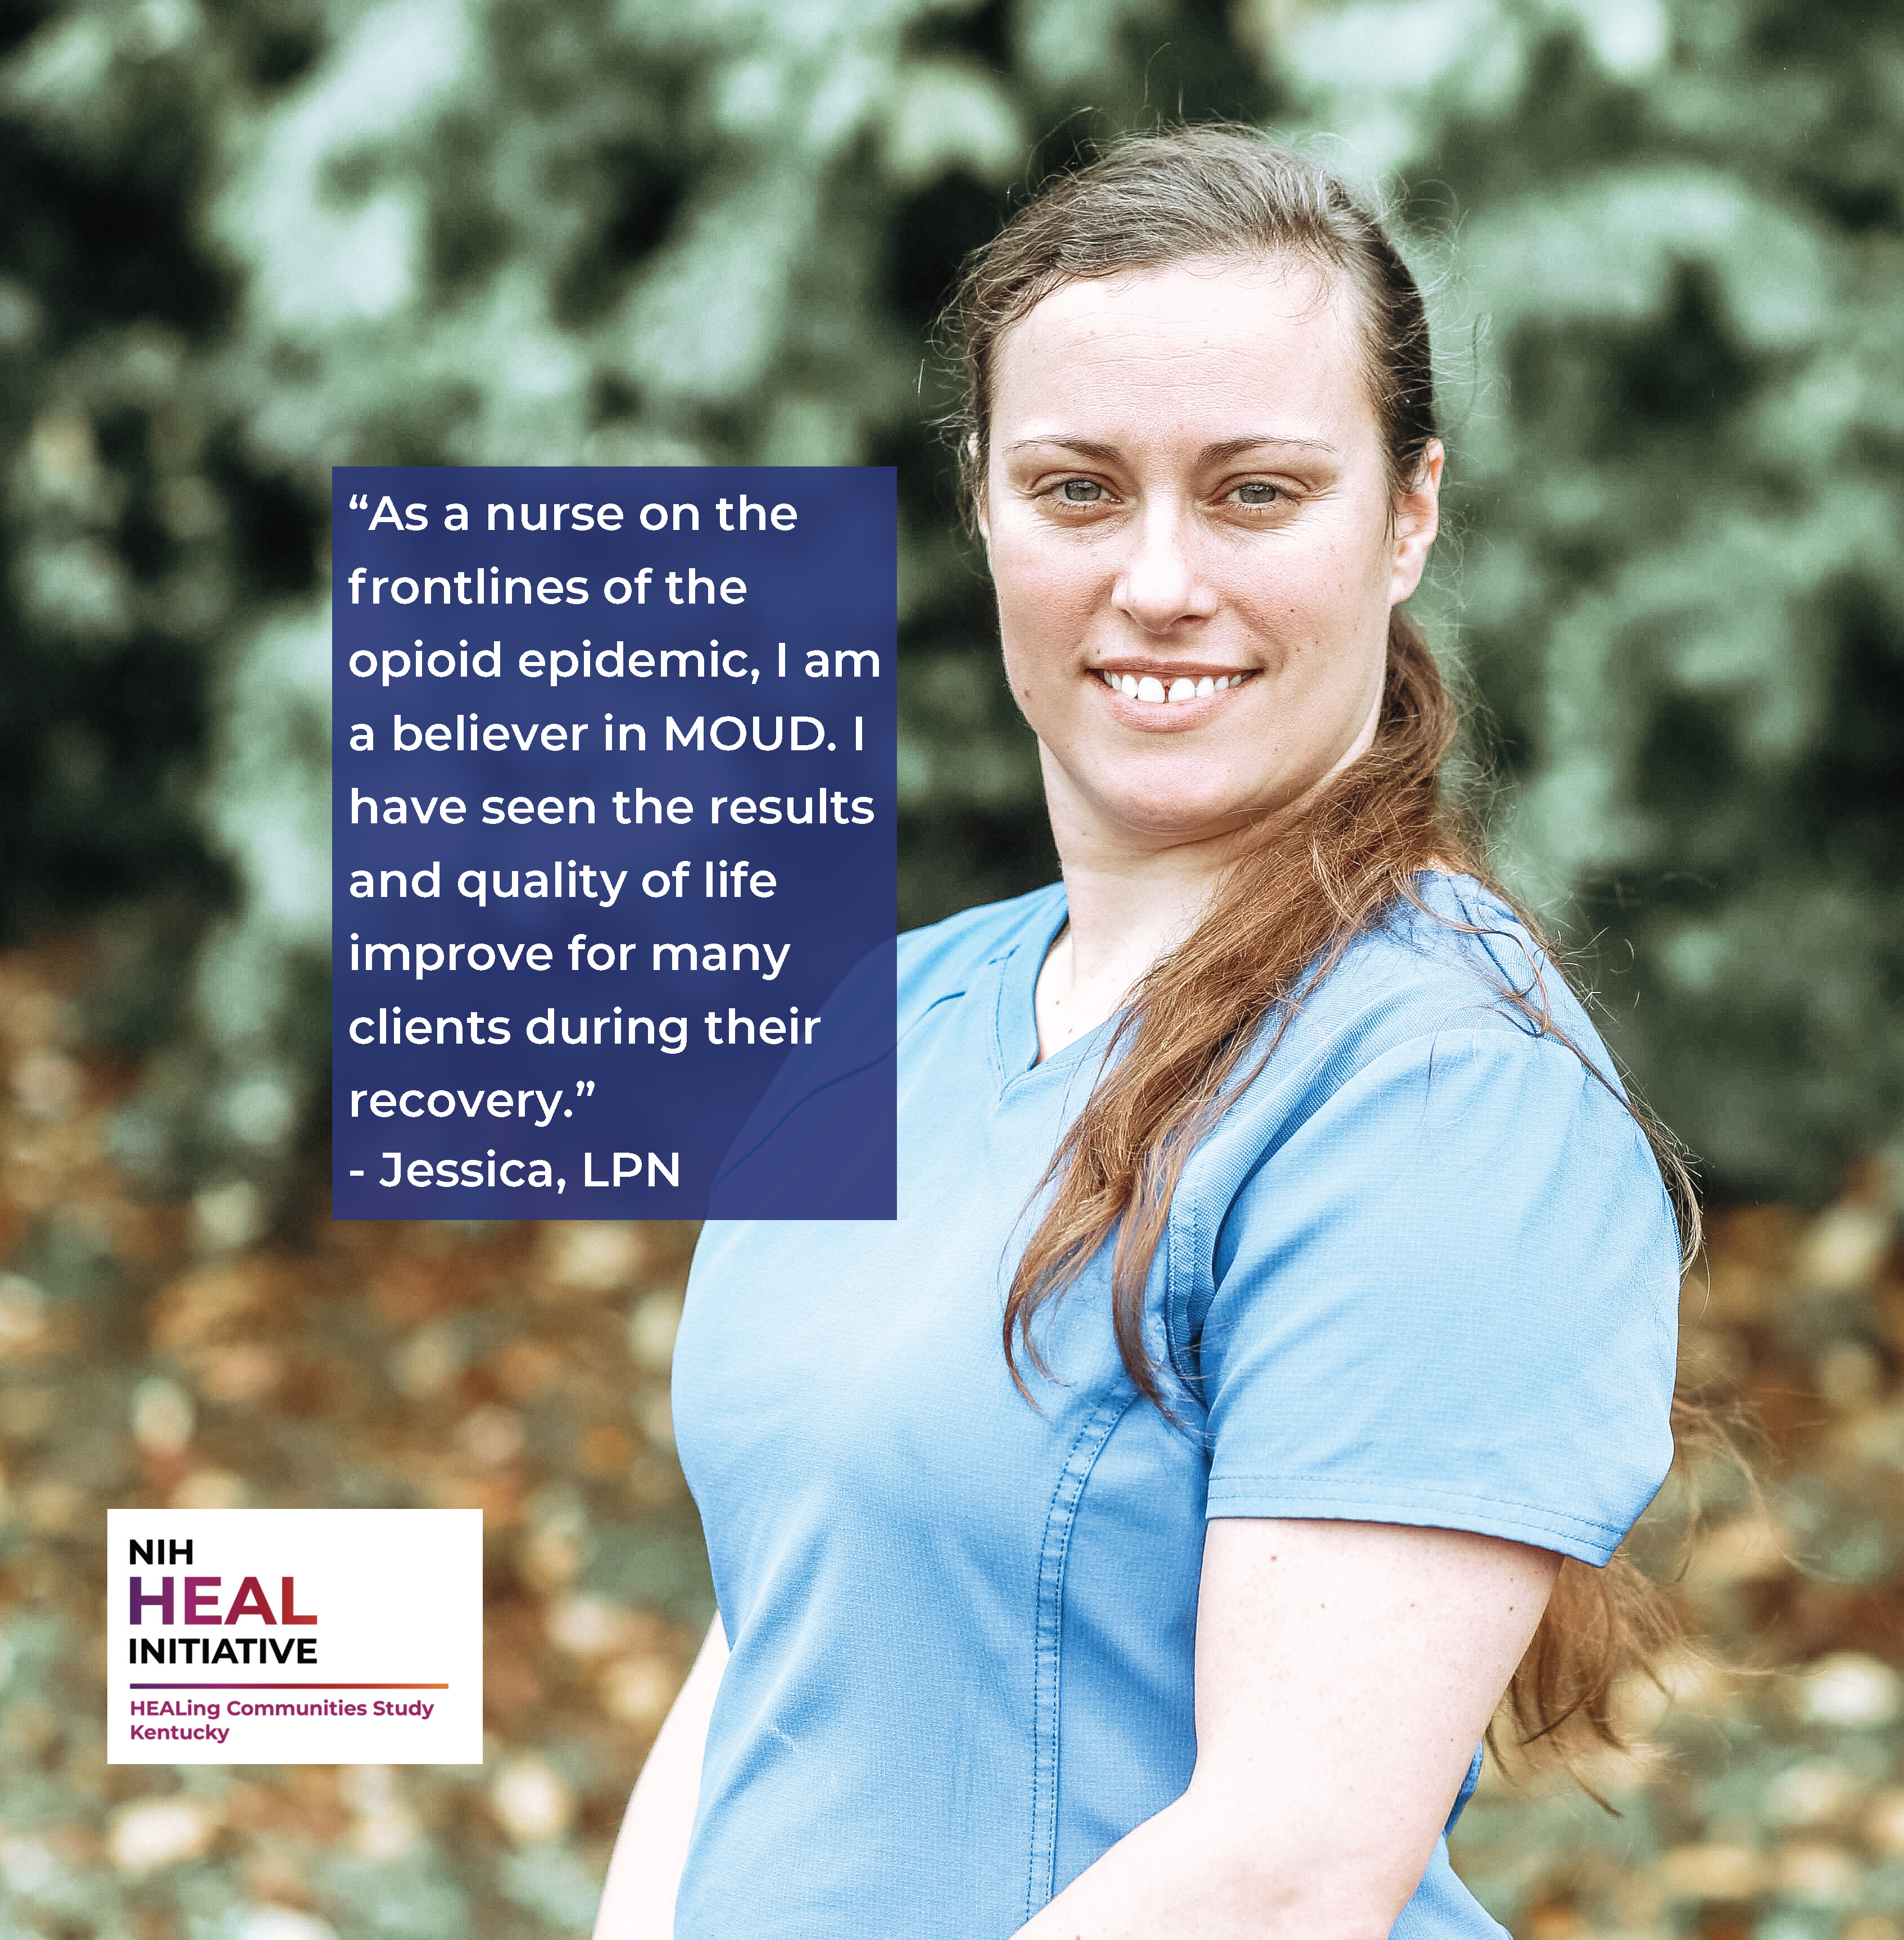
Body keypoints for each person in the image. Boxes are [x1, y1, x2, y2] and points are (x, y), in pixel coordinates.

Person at [592, 125, 1689, 1940]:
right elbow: (771, 1638)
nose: (1159, 578)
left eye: (1255, 492)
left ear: (1407, 514)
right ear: (981, 503)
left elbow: (1284, 1873)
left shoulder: (1444, 1092)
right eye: (1079, 487)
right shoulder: (888, 1011)